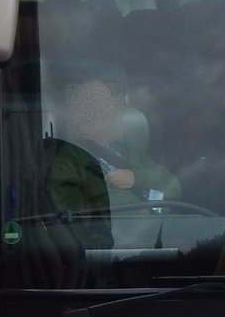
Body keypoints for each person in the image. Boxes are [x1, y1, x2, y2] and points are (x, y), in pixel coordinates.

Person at [46, 78, 181, 225]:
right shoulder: (67, 159)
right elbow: (75, 213)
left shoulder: (130, 152)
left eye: (106, 106)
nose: (101, 113)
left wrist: (136, 177)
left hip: (164, 231)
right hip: (121, 234)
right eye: (91, 106)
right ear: (78, 116)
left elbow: (174, 188)